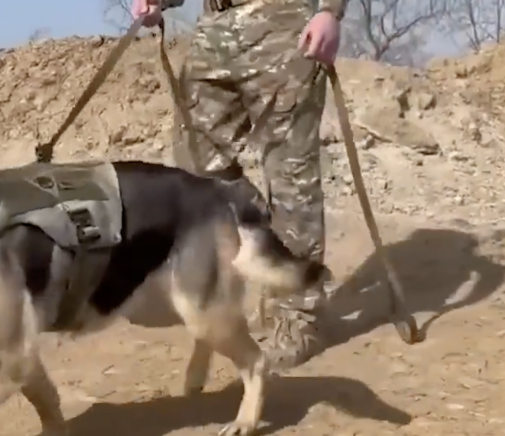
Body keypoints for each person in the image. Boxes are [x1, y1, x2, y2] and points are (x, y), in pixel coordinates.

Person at [130, 0, 344, 369]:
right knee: (196, 165)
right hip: (216, 27)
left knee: (291, 175)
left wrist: (329, 11)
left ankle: (297, 319)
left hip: (283, 22)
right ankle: (271, 242)